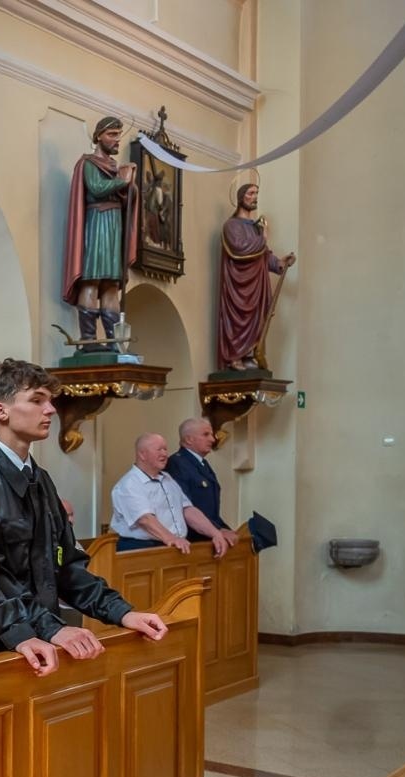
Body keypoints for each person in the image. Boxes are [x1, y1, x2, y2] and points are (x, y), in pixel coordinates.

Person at [0, 359, 167, 675]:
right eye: (37, 400)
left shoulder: (41, 480)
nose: (50, 409)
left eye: (49, 401)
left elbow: (67, 568)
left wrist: (121, 612)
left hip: (42, 641)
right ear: (1, 411)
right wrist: (51, 628)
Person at [62, 116, 138, 351]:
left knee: (111, 286)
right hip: (97, 224)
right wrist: (122, 182)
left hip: (114, 224)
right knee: (92, 281)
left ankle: (114, 342)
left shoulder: (116, 168)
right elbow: (96, 188)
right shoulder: (88, 164)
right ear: (98, 136)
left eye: (118, 135)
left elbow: (124, 195)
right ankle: (88, 339)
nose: (116, 140)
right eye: (112, 134)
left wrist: (131, 187)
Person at [109, 433, 230, 555]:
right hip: (141, 550)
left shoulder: (168, 478)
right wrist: (172, 539)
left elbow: (187, 510)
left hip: (172, 546)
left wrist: (216, 533)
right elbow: (145, 519)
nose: (165, 454)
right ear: (142, 454)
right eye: (159, 450)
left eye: (165, 449)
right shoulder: (129, 484)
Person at [218, 183, 296, 371]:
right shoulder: (231, 225)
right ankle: (235, 356)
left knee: (256, 319)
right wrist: (264, 238)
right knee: (238, 318)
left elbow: (263, 254)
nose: (255, 197)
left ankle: (247, 355)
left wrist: (279, 263)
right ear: (240, 197)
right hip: (239, 285)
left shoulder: (256, 228)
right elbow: (240, 248)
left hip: (257, 284)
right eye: (251, 193)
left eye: (256, 193)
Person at [165, 417, 240, 552]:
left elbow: (211, 512)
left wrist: (225, 529)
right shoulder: (177, 464)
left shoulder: (202, 463)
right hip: (193, 541)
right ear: (189, 439)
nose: (212, 439)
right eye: (206, 435)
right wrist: (217, 530)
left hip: (208, 536)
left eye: (211, 434)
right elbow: (185, 508)